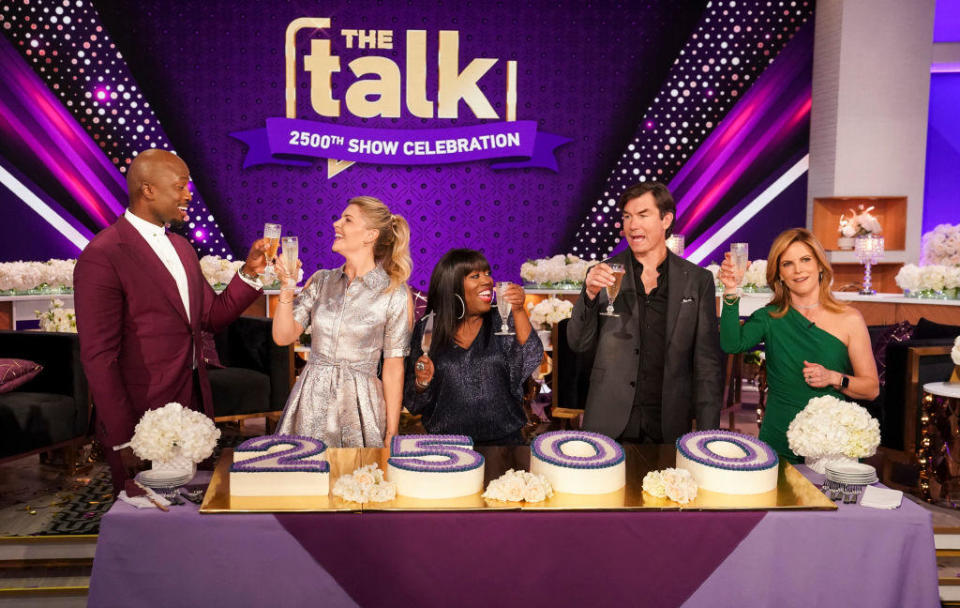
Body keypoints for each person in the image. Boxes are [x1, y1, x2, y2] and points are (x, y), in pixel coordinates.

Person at [74, 149, 267, 494]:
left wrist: (250, 273)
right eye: (180, 187)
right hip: (142, 417)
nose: (188, 195)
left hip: (194, 405)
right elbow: (98, 357)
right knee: (147, 520)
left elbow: (212, 316)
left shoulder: (182, 248)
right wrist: (122, 438)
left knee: (195, 515)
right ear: (148, 190)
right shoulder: (103, 255)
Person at [567, 181, 722, 444]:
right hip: (609, 418)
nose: (632, 225)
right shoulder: (604, 273)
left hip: (668, 421)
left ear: (666, 219)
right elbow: (578, 342)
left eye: (642, 215)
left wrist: (708, 434)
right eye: (627, 217)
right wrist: (590, 295)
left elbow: (707, 364)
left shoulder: (697, 280)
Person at [718, 228, 880, 462]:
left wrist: (834, 378)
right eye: (787, 264)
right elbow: (731, 344)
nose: (798, 270)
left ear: (820, 265)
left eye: (805, 259)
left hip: (832, 442)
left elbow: (871, 388)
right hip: (779, 436)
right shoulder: (769, 317)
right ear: (779, 274)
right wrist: (731, 290)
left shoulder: (850, 319)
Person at [272, 196, 413, 447]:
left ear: (370, 235)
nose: (337, 224)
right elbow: (283, 337)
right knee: (307, 478)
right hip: (310, 399)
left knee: (358, 477)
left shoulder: (394, 292)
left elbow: (393, 367)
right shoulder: (321, 281)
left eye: (347, 220)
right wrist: (286, 287)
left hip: (361, 405)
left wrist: (392, 431)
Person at [405, 249, 543, 446]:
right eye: (475, 276)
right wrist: (421, 383)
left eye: (487, 273)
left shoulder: (502, 321)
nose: (487, 280)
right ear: (452, 285)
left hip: (504, 444)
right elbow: (412, 402)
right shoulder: (429, 328)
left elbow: (531, 358)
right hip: (447, 445)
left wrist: (519, 310)